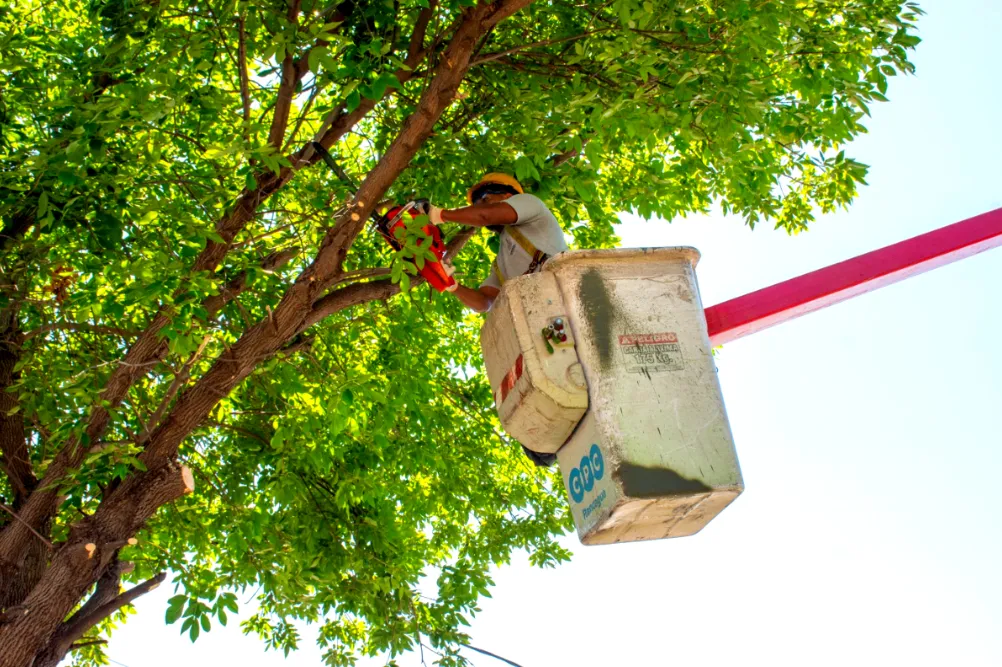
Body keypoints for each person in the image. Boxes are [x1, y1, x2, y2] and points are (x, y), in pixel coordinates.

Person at [418, 173, 569, 312]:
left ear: (507, 195)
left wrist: (437, 214)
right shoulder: (501, 262)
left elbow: (484, 215)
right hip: (543, 314)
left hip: (566, 295)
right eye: (476, 205)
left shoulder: (529, 202)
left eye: (485, 199)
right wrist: (449, 283)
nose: (480, 207)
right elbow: (485, 302)